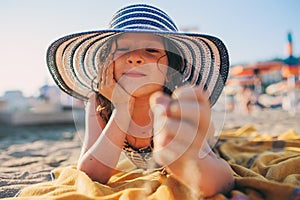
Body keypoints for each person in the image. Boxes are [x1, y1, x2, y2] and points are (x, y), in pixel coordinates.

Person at [46, 4, 234, 198]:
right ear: (107, 62)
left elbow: (226, 181)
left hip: (190, 144)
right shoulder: (98, 102)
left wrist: (190, 158)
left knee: (203, 155)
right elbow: (91, 173)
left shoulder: (174, 105)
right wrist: (121, 106)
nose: (135, 57)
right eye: (124, 49)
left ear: (171, 66)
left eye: (151, 50)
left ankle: (188, 161)